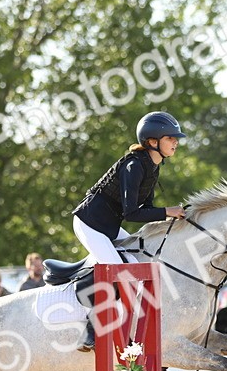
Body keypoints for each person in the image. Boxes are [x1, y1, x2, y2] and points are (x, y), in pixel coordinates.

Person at [72, 111, 188, 351]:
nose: (176, 142)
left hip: (109, 227)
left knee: (143, 255)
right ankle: (91, 331)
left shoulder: (153, 167)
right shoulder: (134, 166)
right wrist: (168, 211)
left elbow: (147, 209)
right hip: (90, 224)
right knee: (121, 273)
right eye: (171, 138)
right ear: (152, 141)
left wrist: (170, 220)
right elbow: (132, 214)